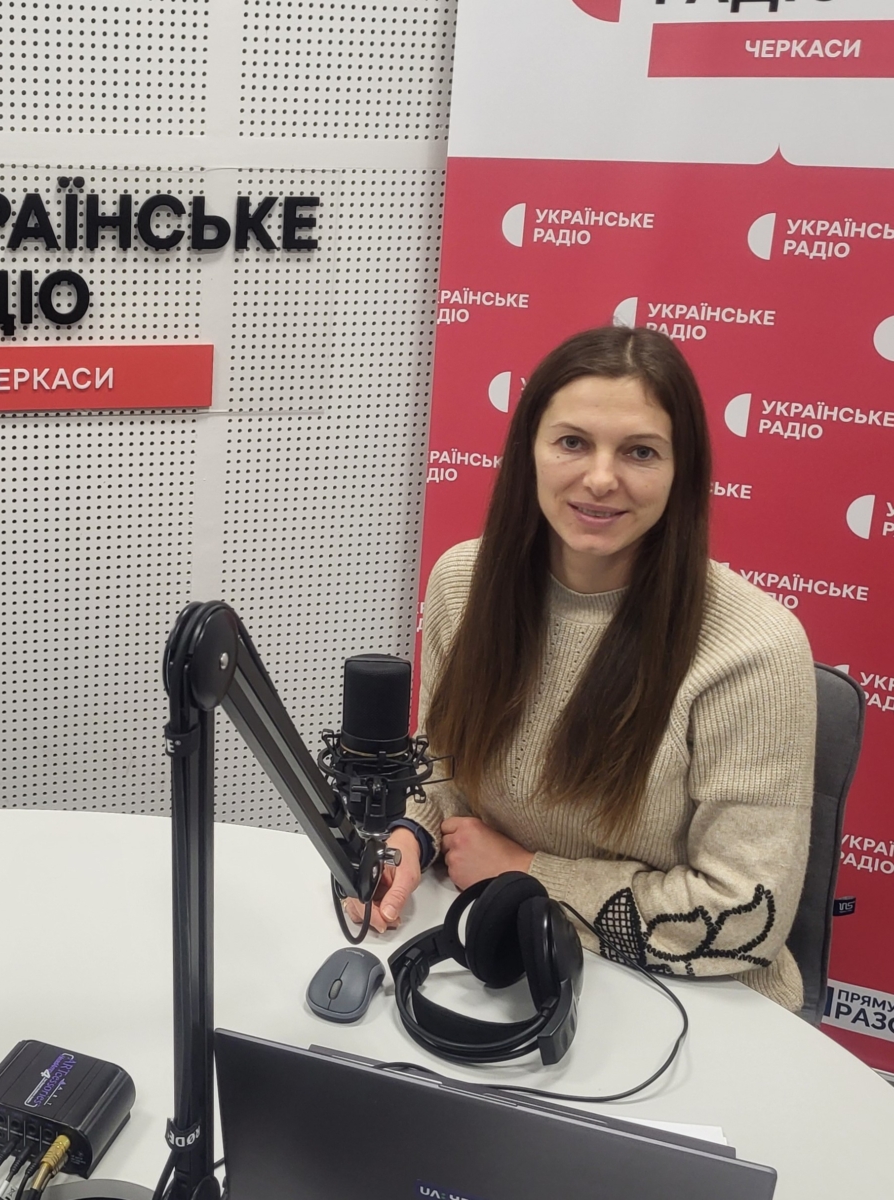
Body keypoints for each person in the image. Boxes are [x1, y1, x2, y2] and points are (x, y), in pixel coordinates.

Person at [349, 325, 816, 1010]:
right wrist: (410, 837)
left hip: (694, 997)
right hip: (500, 953)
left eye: (640, 452)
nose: (600, 478)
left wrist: (527, 873)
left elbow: (745, 917)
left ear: (681, 470)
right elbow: (443, 769)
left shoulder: (754, 647)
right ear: (529, 452)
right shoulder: (465, 583)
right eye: (572, 442)